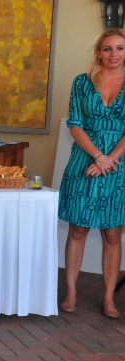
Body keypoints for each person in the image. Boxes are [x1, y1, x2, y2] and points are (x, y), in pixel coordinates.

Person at [58, 28, 125, 319]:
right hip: (83, 163)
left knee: (112, 233)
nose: (114, 54)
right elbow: (74, 124)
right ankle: (71, 292)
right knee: (77, 229)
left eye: (120, 48)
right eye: (107, 48)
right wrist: (98, 156)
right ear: (98, 52)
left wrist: (109, 159)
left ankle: (108, 299)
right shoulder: (82, 83)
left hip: (119, 167)